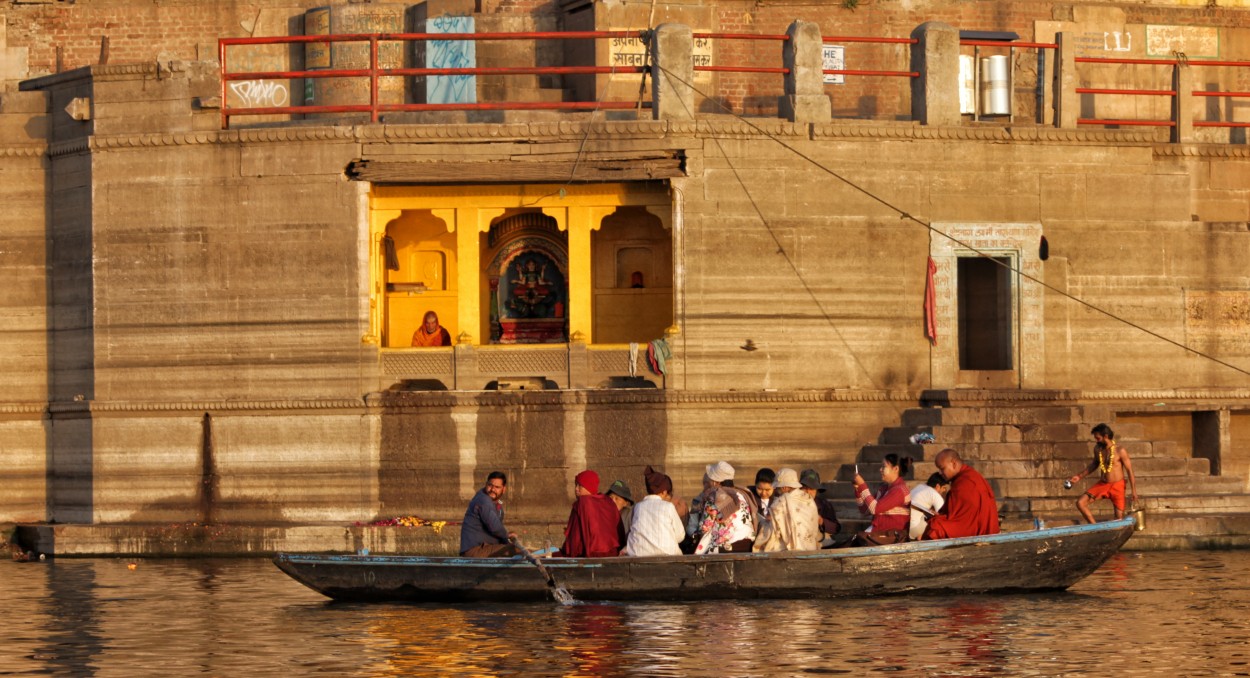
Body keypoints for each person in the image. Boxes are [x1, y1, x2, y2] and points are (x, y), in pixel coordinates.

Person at [1067, 423, 1140, 523]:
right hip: (1103, 484)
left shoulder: (1120, 450)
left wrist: (1134, 491)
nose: (1096, 441)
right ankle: (1095, 528)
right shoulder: (1098, 449)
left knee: (1119, 518)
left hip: (1117, 485)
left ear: (1105, 436)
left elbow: (1129, 471)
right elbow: (1094, 465)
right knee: (1080, 503)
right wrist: (1079, 477)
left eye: (1098, 438)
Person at [923, 448, 1000, 540]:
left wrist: (938, 519)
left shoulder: (966, 482)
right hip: (973, 526)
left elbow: (963, 522)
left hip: (976, 530)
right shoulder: (966, 477)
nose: (940, 473)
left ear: (954, 464)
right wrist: (939, 515)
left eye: (942, 468)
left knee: (936, 527)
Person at [689, 461, 758, 554]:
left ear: (715, 482)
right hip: (747, 544)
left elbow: (705, 527)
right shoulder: (741, 494)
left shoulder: (714, 496)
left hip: (725, 548)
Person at [557, 470, 625, 557]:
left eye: (580, 485)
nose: (576, 489)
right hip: (613, 553)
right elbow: (620, 531)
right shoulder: (608, 501)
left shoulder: (582, 502)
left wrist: (566, 552)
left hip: (591, 554)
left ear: (589, 486)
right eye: (576, 485)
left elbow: (574, 539)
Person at [754, 468, 822, 552]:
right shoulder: (809, 499)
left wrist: (762, 524)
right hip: (809, 547)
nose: (777, 491)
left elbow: (773, 530)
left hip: (788, 550)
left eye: (778, 487)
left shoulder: (781, 502)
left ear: (784, 487)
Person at [851, 455, 913, 545]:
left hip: (891, 536)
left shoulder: (900, 490)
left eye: (884, 467)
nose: (880, 469)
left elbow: (874, 509)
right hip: (879, 533)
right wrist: (858, 490)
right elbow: (865, 511)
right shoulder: (884, 488)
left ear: (895, 469)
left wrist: (862, 485)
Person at [624, 466, 685, 557]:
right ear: (664, 492)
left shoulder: (638, 507)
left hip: (638, 555)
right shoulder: (668, 507)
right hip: (668, 556)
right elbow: (680, 535)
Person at [460, 471, 518, 557]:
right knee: (516, 550)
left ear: (504, 489)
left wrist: (507, 540)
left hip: (486, 548)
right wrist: (507, 536)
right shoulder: (483, 500)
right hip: (476, 550)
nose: (492, 489)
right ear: (486, 484)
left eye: (497, 487)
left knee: (517, 549)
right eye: (490, 485)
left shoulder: (496, 503)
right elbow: (495, 527)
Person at [909, 472, 951, 541]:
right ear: (937, 486)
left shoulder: (919, 486)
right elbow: (943, 515)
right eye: (944, 488)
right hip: (916, 528)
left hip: (907, 526)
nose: (944, 491)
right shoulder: (934, 494)